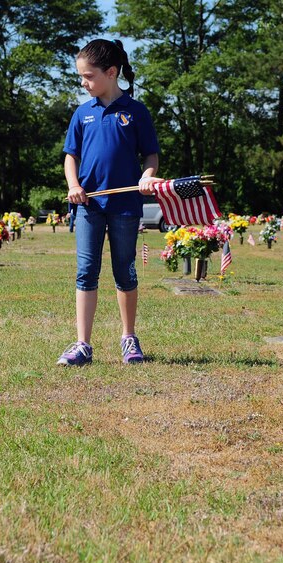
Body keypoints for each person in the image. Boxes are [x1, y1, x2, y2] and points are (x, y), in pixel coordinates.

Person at [57, 39, 161, 366]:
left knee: (124, 272)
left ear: (111, 72)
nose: (83, 83)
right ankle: (82, 345)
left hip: (126, 206)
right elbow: (70, 156)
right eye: (81, 77)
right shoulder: (82, 113)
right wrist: (74, 185)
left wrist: (147, 176)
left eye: (88, 76)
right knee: (86, 272)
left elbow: (151, 155)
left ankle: (129, 338)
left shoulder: (136, 111)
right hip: (89, 206)